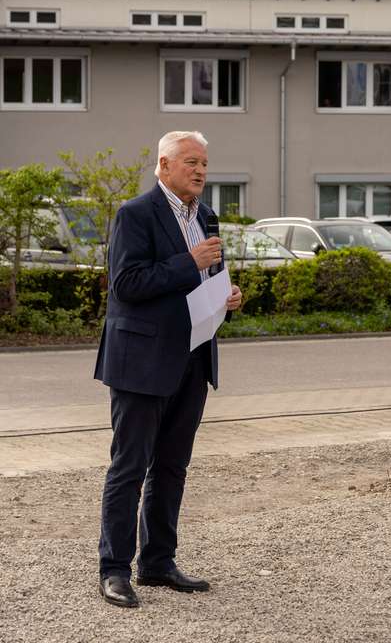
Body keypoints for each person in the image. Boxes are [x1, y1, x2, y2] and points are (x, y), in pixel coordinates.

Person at [94, 130, 242, 608]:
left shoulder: (207, 216)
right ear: (163, 166)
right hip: (141, 362)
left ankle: (157, 562)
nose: (200, 170)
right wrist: (188, 262)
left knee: (172, 467)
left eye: (204, 162)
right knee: (129, 466)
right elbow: (127, 284)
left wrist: (229, 297)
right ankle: (114, 570)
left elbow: (208, 279)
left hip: (193, 359)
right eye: (190, 162)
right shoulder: (135, 214)